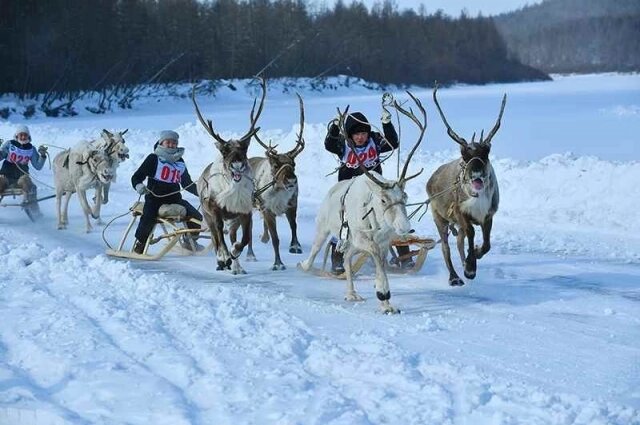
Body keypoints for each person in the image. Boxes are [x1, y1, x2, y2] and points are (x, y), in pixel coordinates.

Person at [324, 102, 415, 273]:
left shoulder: (375, 140)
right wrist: (335, 127)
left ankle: (404, 254)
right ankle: (337, 257)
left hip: (374, 187)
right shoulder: (344, 144)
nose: (360, 137)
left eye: (363, 133)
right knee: (344, 220)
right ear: (351, 135)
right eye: (357, 134)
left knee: (390, 214)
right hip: (350, 189)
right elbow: (329, 144)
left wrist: (387, 124)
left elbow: (393, 142)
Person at [130, 130, 203, 254]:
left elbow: (187, 184)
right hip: (154, 198)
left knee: (196, 216)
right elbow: (136, 177)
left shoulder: (180, 162)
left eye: (174, 143)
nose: (171, 145)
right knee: (148, 217)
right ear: (161, 143)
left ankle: (190, 241)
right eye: (168, 142)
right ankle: (141, 242)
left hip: (175, 199)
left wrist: (202, 192)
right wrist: (139, 186)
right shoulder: (153, 159)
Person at [0, 125, 47, 218]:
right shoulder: (10, 144)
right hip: (6, 175)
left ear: (28, 136)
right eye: (21, 135)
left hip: (21, 176)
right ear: (16, 135)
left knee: (29, 184)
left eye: (25, 135)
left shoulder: (31, 149)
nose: (23, 137)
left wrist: (43, 155)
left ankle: (33, 209)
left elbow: (38, 166)